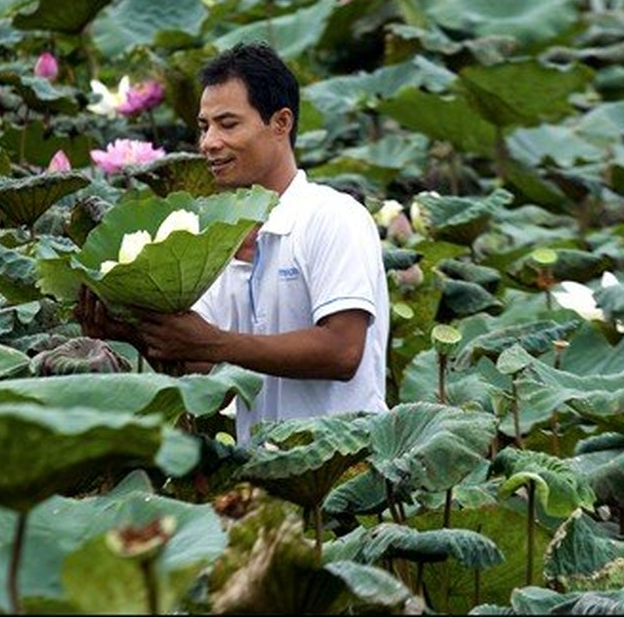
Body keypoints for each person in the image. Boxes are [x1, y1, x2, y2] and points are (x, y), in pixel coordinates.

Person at [75, 41, 390, 444]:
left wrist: (215, 342)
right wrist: (136, 333)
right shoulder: (216, 240)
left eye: (228, 124)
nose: (208, 142)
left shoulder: (333, 217)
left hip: (349, 466)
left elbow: (343, 351)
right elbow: (209, 370)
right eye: (204, 127)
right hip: (262, 475)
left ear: (281, 123)